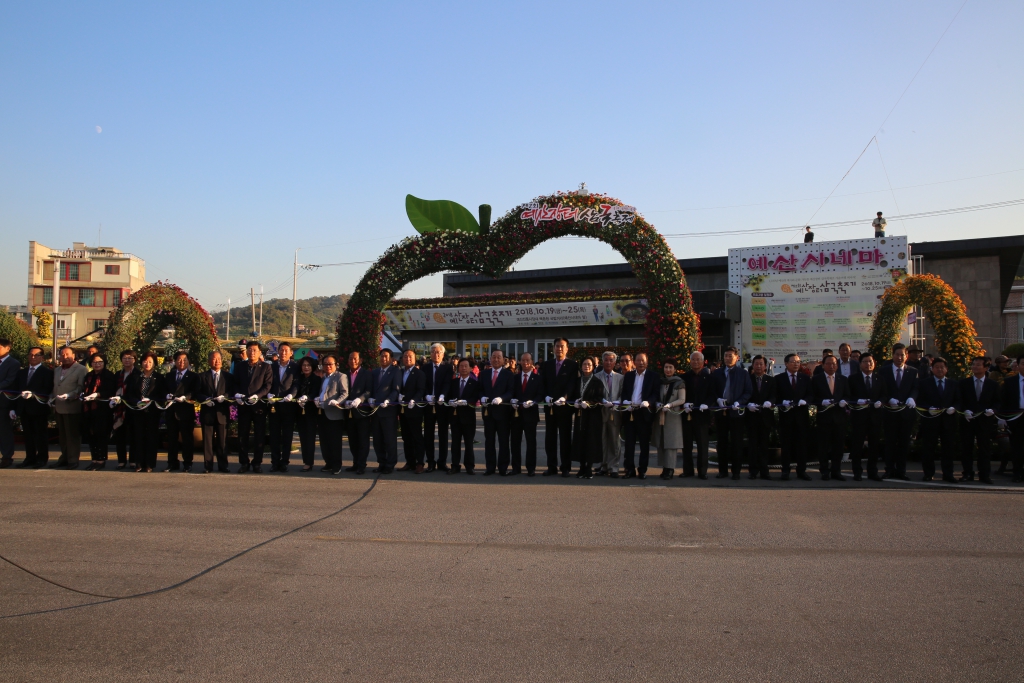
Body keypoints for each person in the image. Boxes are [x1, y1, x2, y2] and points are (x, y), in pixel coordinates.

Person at [712, 346, 752, 480]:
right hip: (721, 412)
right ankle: (722, 471)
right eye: (726, 356)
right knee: (721, 442)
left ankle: (736, 472)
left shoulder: (743, 373)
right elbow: (712, 390)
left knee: (736, 442)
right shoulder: (717, 373)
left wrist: (739, 402)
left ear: (737, 358)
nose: (727, 358)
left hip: (736, 413)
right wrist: (717, 399)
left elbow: (748, 391)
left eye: (730, 356)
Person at [917, 357, 959, 483]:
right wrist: (928, 408)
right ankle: (928, 473)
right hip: (930, 420)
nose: (939, 369)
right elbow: (919, 400)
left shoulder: (953, 384)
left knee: (948, 449)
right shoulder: (924, 383)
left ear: (946, 369)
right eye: (937, 367)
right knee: (928, 448)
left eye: (942, 367)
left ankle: (948, 474)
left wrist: (954, 407)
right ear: (932, 369)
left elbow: (959, 400)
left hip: (948, 421)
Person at [233, 341, 273, 473]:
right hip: (243, 405)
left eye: (255, 350)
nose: (252, 352)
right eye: (249, 349)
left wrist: (258, 395)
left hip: (258, 406)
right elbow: (235, 383)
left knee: (259, 436)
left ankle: (257, 463)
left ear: (260, 352)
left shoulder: (266, 367)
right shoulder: (240, 366)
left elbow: (267, 385)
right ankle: (244, 463)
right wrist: (237, 394)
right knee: (242, 436)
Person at [541, 338, 579, 477]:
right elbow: (542, 383)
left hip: (565, 407)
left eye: (562, 346)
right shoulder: (547, 364)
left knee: (565, 438)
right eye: (557, 346)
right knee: (550, 438)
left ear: (567, 348)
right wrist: (545, 396)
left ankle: (565, 467)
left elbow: (572, 384)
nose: (559, 349)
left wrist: (565, 397)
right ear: (553, 348)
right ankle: (551, 466)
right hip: (550, 406)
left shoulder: (572, 365)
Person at [881, 343, 919, 480]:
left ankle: (901, 471)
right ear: (892, 355)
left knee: (904, 443)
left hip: (906, 413)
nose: (899, 357)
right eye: (897, 355)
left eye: (902, 355)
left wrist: (912, 398)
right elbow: (881, 389)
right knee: (890, 442)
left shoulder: (913, 371)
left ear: (906, 356)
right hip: (890, 412)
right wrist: (889, 399)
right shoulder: (884, 371)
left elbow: (916, 388)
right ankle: (889, 469)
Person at [958, 356, 998, 484]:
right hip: (968, 420)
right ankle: (967, 473)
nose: (975, 367)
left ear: (986, 368)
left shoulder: (993, 384)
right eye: (973, 364)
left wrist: (993, 410)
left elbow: (998, 402)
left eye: (978, 365)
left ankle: (984, 475)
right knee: (966, 448)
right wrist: (965, 410)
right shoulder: (964, 383)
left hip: (985, 421)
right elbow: (959, 400)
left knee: (984, 448)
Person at [620, 352, 659, 480]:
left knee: (644, 444)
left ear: (647, 362)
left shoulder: (653, 376)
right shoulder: (629, 375)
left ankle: (642, 470)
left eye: (643, 360)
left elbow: (655, 394)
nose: (641, 363)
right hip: (630, 412)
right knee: (629, 443)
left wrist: (649, 402)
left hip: (644, 413)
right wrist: (625, 401)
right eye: (638, 360)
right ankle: (629, 469)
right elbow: (624, 392)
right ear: (634, 362)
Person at [811, 355, 850, 480]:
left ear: (837, 365)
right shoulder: (816, 379)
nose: (831, 366)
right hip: (824, 417)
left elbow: (848, 395)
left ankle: (836, 471)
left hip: (839, 418)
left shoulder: (843, 379)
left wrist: (844, 401)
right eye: (828, 364)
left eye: (834, 364)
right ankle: (824, 470)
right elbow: (812, 397)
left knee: (838, 446)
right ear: (823, 365)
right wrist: (821, 402)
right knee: (823, 445)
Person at [775, 353, 813, 481]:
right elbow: (775, 395)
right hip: (786, 417)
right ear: (786, 363)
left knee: (802, 445)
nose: (796, 364)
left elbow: (811, 394)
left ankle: (801, 471)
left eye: (798, 362)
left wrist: (805, 401)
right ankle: (785, 471)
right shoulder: (779, 378)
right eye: (793, 361)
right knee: (786, 445)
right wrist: (782, 402)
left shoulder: (805, 378)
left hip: (801, 417)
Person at [13, 346, 52, 468]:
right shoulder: (22, 372)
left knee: (40, 435)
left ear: (42, 357)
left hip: (39, 408)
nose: (33, 357)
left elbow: (48, 389)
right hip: (24, 408)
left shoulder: (47, 372)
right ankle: (30, 458)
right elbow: (16, 389)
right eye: (30, 355)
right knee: (28, 435)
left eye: (36, 355)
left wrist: (33, 394)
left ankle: (42, 458)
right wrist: (14, 408)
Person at [848, 353, 884, 481]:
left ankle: (872, 472)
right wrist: (857, 400)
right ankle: (857, 472)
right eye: (865, 361)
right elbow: (848, 395)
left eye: (870, 361)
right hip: (859, 417)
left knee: (874, 445)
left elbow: (884, 394)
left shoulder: (879, 378)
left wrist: (880, 401)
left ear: (874, 363)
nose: (868, 364)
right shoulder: (853, 379)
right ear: (860, 364)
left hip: (875, 417)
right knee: (857, 445)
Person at [478, 349, 514, 475]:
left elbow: (511, 391)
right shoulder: (484, 374)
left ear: (503, 360)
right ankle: (490, 467)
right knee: (489, 441)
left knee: (503, 441)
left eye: (499, 357)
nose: (496, 359)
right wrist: (482, 397)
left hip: (503, 413)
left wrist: (502, 398)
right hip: (488, 413)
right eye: (494, 357)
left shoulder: (508, 374)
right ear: (490, 359)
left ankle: (503, 467)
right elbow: (480, 389)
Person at [51, 346, 87, 469]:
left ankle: (73, 460)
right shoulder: (57, 370)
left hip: (72, 406)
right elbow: (55, 386)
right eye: (62, 355)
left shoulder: (81, 369)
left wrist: (69, 395)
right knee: (62, 436)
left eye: (67, 354)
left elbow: (81, 387)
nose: (65, 357)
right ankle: (64, 458)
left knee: (72, 435)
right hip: (58, 406)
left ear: (74, 355)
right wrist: (51, 398)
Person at [195, 350, 232, 473]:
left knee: (222, 441)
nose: (217, 361)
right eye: (214, 359)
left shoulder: (228, 377)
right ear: (209, 361)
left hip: (222, 413)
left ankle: (223, 465)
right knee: (208, 442)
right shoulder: (202, 376)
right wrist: (205, 399)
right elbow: (197, 393)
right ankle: (208, 466)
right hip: (208, 413)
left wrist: (225, 396)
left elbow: (231, 392)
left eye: (219, 359)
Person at [127, 352, 164, 472]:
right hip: (138, 411)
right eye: (145, 361)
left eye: (150, 362)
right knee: (138, 437)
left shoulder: (159, 378)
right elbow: (129, 393)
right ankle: (139, 463)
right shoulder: (135, 377)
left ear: (154, 363)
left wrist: (151, 400)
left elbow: (162, 395)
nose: (147, 364)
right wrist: (137, 401)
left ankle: (149, 464)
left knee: (151, 437)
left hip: (152, 411)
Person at [570, 357, 606, 479]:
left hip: (592, 415)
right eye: (584, 364)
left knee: (591, 440)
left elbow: (599, 398)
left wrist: (589, 403)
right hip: (580, 415)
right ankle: (581, 467)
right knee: (580, 440)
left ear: (593, 367)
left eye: (589, 364)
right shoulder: (577, 381)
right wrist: (575, 402)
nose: (586, 366)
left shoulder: (597, 382)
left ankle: (588, 467)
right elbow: (573, 394)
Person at [650, 358, 685, 480]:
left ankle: (670, 469)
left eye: (670, 367)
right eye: (666, 367)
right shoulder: (660, 382)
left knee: (671, 443)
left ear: (675, 369)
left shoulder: (679, 382)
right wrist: (658, 403)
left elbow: (682, 399)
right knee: (661, 441)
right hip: (660, 415)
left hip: (673, 415)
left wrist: (670, 405)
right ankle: (664, 467)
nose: (668, 370)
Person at [164, 351, 198, 473]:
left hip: (185, 411)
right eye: (179, 359)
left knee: (187, 439)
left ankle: (187, 463)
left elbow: (195, 391)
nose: (182, 362)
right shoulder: (169, 375)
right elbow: (164, 389)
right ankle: (172, 463)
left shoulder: (193, 376)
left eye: (184, 360)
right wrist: (166, 395)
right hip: (171, 411)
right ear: (175, 361)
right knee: (172, 439)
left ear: (188, 362)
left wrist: (186, 397)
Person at [421, 343, 453, 473]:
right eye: (433, 352)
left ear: (443, 354)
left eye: (438, 352)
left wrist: (443, 395)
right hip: (429, 404)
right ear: (430, 354)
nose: (436, 354)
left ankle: (442, 462)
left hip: (442, 405)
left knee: (443, 434)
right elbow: (423, 384)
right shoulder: (425, 367)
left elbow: (447, 383)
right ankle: (430, 462)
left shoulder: (448, 367)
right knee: (428, 434)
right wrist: (426, 395)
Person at [682, 351, 714, 479]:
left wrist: (706, 404)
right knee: (687, 445)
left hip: (702, 416)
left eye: (698, 359)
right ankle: (688, 470)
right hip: (687, 415)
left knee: (702, 445)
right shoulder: (684, 377)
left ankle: (702, 471)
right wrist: (684, 404)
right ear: (690, 362)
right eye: (693, 359)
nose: (695, 362)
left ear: (703, 362)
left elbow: (712, 394)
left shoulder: (709, 377)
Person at [268, 342, 299, 472]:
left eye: (286, 350)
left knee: (287, 435)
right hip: (274, 406)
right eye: (281, 350)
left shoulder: (295, 367)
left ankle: (284, 461)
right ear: (278, 352)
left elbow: (296, 384)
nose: (283, 353)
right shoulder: (272, 366)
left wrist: (292, 395)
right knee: (274, 435)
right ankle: (275, 462)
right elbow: (268, 382)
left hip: (288, 406)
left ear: (291, 353)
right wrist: (268, 393)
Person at [82, 353, 116, 469]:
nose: (97, 364)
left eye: (100, 362)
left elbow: (110, 391)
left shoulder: (108, 375)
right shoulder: (89, 375)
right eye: (94, 362)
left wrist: (98, 394)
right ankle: (94, 459)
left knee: (101, 436)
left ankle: (101, 460)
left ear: (104, 362)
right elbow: (85, 389)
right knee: (91, 435)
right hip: (89, 409)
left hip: (102, 410)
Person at [369, 349, 401, 474]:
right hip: (376, 411)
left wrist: (389, 400)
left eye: (386, 356)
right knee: (377, 440)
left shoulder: (395, 371)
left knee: (389, 439)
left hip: (388, 411)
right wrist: (370, 398)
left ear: (391, 359)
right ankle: (381, 463)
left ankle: (390, 464)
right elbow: (371, 388)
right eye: (382, 356)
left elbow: (396, 390)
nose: (383, 358)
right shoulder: (375, 372)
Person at [511, 352, 543, 476]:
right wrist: (512, 400)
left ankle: (531, 468)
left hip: (531, 414)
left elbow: (540, 394)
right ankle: (516, 467)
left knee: (531, 442)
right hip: (516, 414)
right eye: (523, 360)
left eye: (527, 360)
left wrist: (533, 402)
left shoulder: (537, 378)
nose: (525, 363)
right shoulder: (515, 378)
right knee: (515, 442)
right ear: (519, 362)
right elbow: (511, 392)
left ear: (532, 362)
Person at [316, 355, 349, 474]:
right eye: (325, 364)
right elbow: (323, 393)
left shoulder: (341, 376)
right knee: (324, 441)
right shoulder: (323, 377)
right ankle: (328, 463)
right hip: (322, 412)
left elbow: (345, 393)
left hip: (334, 414)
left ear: (336, 365)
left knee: (335, 442)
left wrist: (337, 402)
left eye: (330, 364)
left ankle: (336, 465)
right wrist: (317, 399)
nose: (328, 366)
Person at [745, 355, 775, 480]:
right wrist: (748, 404)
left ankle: (764, 471)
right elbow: (745, 394)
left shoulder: (771, 380)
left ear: (765, 366)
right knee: (752, 445)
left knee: (764, 445)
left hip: (765, 417)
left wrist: (770, 402)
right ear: (752, 365)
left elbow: (774, 395)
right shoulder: (748, 379)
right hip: (751, 417)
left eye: (761, 364)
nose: (758, 366)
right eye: (756, 364)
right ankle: (752, 471)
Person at [594, 351, 623, 477]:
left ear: (615, 363)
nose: (608, 362)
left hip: (615, 412)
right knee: (602, 440)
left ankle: (614, 467)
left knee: (614, 440)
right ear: (602, 361)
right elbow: (594, 393)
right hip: (601, 411)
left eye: (611, 360)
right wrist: (602, 401)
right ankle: (604, 465)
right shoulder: (596, 376)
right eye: (606, 360)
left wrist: (618, 401)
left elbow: (623, 393)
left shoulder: (620, 377)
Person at [448, 358, 480, 474]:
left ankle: (469, 466)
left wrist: (467, 401)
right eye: (461, 366)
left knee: (469, 443)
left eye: (466, 366)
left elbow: (476, 397)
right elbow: (448, 395)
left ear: (471, 368)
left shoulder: (475, 383)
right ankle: (455, 465)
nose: (463, 368)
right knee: (455, 443)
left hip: (468, 416)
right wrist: (450, 401)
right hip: (455, 416)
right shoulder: (454, 382)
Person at [292, 357, 323, 472]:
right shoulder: (299, 378)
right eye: (304, 365)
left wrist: (308, 397)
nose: (306, 367)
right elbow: (295, 389)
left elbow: (315, 392)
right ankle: (306, 461)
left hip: (311, 412)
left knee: (310, 438)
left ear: (313, 367)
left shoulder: (316, 379)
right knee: (303, 438)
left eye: (308, 365)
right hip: (299, 411)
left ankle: (309, 462)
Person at [344, 351, 373, 474]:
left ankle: (362, 465)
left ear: (360, 360)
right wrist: (345, 400)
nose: (353, 361)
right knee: (352, 440)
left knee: (363, 440)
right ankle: (355, 463)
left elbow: (368, 391)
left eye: (355, 358)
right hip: (349, 412)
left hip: (362, 412)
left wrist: (360, 399)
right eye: (350, 358)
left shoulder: (367, 374)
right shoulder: (345, 375)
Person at [398, 349, 426, 472]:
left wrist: (414, 399)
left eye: (410, 356)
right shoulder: (400, 372)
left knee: (416, 437)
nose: (407, 359)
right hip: (402, 409)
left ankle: (420, 463)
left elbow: (421, 390)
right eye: (405, 356)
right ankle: (410, 462)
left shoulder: (419, 373)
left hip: (414, 409)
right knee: (406, 437)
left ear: (415, 358)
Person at [998, 354, 1024, 483]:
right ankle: (1017, 473)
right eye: (1023, 364)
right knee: (1017, 447)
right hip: (1015, 418)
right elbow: (1003, 401)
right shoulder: (1010, 382)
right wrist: (1002, 418)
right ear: (1018, 366)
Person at [112, 350, 139, 469]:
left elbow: (137, 392)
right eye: (124, 358)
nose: (127, 360)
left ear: (134, 360)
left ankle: (133, 460)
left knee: (133, 435)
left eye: (130, 358)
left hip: (132, 407)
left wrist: (123, 397)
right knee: (120, 435)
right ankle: (121, 461)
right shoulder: (118, 374)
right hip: (119, 408)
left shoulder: (138, 374)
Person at [0, 338, 22, 467]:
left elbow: (10, 381)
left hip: (4, 402)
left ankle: (7, 457)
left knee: (4, 430)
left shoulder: (13, 363)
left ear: (7, 348)